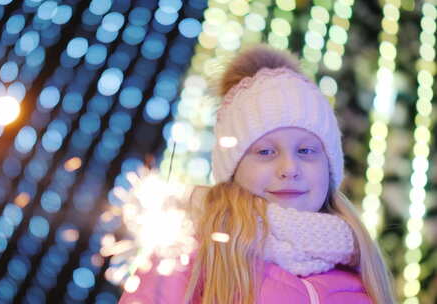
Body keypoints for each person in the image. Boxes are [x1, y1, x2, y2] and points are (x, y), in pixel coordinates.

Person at [118, 44, 396, 304]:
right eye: (265, 152)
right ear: (233, 169)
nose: (289, 169)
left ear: (330, 166)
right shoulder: (187, 257)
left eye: (307, 151)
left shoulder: (361, 273)